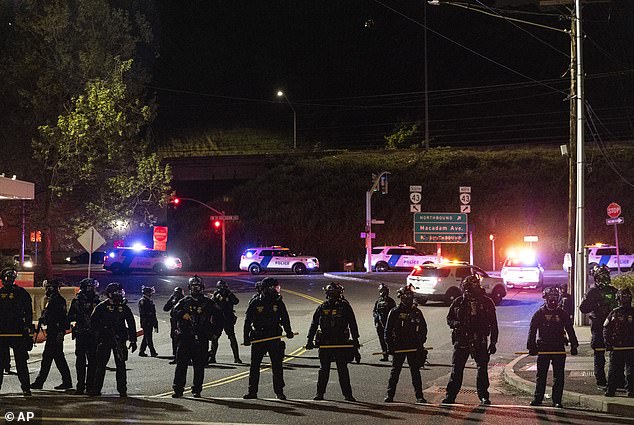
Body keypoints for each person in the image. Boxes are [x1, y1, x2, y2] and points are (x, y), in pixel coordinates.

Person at [443, 274, 498, 405]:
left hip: (480, 339)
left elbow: (494, 324)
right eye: (467, 288)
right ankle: (450, 396)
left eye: (471, 288)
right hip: (462, 340)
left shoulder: (487, 302)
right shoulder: (458, 302)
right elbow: (449, 319)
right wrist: (458, 324)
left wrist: (493, 342)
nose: (469, 291)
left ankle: (484, 396)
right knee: (457, 369)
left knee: (482, 369)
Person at [306, 282, 359, 401]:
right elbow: (314, 324)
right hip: (325, 342)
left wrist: (355, 341)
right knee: (324, 370)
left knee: (342, 369)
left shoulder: (345, 306)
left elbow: (352, 324)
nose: (332, 296)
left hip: (340, 342)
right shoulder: (322, 307)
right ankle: (320, 393)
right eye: (331, 293)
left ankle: (348, 395)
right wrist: (310, 339)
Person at [171, 276, 223, 398]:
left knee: (199, 366)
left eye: (197, 286)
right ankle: (178, 389)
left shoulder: (207, 302)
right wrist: (182, 314)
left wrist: (216, 333)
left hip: (201, 337)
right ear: (189, 288)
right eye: (193, 286)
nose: (195, 288)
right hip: (185, 337)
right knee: (181, 365)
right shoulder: (184, 301)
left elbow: (220, 316)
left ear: (201, 287)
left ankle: (197, 389)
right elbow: (173, 311)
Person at [527, 286, 579, 407]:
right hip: (544, 347)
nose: (553, 300)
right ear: (545, 298)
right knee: (541, 375)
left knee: (559, 375)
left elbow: (570, 330)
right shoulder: (539, 313)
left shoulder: (562, 313)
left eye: (555, 297)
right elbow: (532, 330)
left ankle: (557, 400)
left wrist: (574, 345)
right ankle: (538, 398)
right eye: (550, 297)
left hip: (558, 347)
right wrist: (531, 346)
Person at [243, 277, 294, 400]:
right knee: (255, 366)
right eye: (274, 288)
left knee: (277, 366)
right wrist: (246, 337)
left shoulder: (278, 302)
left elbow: (285, 318)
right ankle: (252, 391)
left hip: (274, 336)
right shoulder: (256, 302)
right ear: (267, 289)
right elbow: (248, 321)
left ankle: (279, 391)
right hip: (259, 336)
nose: (277, 290)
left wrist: (288, 331)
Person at [88, 282, 137, 397]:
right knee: (100, 365)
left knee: (121, 365)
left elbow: (131, 323)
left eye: (120, 292)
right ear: (110, 294)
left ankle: (122, 389)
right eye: (117, 292)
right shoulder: (101, 307)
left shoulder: (123, 307)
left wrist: (133, 340)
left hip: (119, 340)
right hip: (105, 339)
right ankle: (96, 389)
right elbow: (93, 323)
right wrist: (100, 333)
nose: (119, 295)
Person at [383, 285, 428, 404]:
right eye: (406, 296)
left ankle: (419, 396)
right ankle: (390, 395)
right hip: (399, 346)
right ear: (401, 297)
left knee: (415, 372)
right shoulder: (395, 312)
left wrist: (420, 344)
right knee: (395, 372)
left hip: (413, 346)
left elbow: (423, 329)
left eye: (410, 295)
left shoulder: (416, 312)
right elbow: (387, 331)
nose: (408, 298)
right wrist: (390, 346)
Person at [580, 265, 618, 388]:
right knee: (599, 354)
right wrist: (596, 304)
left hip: (613, 327)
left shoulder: (613, 291)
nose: (604, 279)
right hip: (598, 327)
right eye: (602, 277)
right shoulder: (592, 292)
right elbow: (583, 308)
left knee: (616, 355)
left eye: (606, 276)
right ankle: (601, 381)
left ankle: (617, 380)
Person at [31, 279, 73, 390]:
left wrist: (60, 332)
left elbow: (61, 318)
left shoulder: (57, 300)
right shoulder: (53, 300)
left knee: (49, 359)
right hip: (53, 332)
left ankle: (40, 382)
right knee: (56, 358)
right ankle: (66, 381)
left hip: (56, 332)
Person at [0, 267, 33, 396]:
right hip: (2, 333)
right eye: (7, 278)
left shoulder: (21, 293)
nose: (9, 281)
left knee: (21, 362)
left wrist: (28, 327)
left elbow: (28, 311)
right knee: (1, 362)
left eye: (11, 278)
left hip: (18, 332)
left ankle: (26, 388)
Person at [68, 277, 101, 395]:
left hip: (93, 334)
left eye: (92, 287)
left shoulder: (97, 301)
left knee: (93, 361)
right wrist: (79, 317)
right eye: (89, 287)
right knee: (81, 360)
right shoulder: (77, 301)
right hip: (81, 333)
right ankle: (80, 385)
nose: (91, 289)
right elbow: (70, 316)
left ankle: (90, 385)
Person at [603, 288, 634, 397]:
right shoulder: (615, 313)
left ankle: (612, 390)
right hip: (623, 347)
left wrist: (608, 343)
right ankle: (628, 390)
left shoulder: (614, 312)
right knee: (624, 370)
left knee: (616, 369)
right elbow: (606, 328)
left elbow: (606, 328)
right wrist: (608, 343)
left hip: (621, 346)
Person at [209, 280, 242, 364]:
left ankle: (236, 357)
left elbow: (236, 301)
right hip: (218, 319)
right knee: (215, 338)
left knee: (232, 338)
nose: (223, 289)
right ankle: (212, 357)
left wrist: (229, 294)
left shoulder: (229, 294)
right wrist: (217, 297)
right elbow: (211, 304)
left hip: (228, 319)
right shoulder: (216, 294)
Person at [373, 283, 396, 362]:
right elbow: (374, 311)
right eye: (381, 291)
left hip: (388, 324)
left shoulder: (391, 301)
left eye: (384, 291)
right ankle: (385, 355)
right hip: (379, 324)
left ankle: (393, 355)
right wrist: (376, 319)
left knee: (390, 339)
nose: (382, 293)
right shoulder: (378, 301)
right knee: (382, 340)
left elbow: (394, 313)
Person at [163, 286, 185, 364]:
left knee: (180, 339)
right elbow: (165, 308)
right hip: (173, 321)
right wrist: (171, 300)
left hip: (181, 322)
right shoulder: (173, 300)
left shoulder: (184, 301)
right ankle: (176, 356)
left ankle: (182, 357)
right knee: (174, 338)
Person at [139, 286, 159, 357]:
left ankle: (141, 351)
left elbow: (153, 313)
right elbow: (144, 313)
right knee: (149, 337)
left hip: (150, 321)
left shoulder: (149, 301)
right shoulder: (143, 301)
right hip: (146, 322)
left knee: (146, 337)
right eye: (150, 292)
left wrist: (155, 322)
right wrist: (149, 321)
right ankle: (152, 351)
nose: (151, 294)